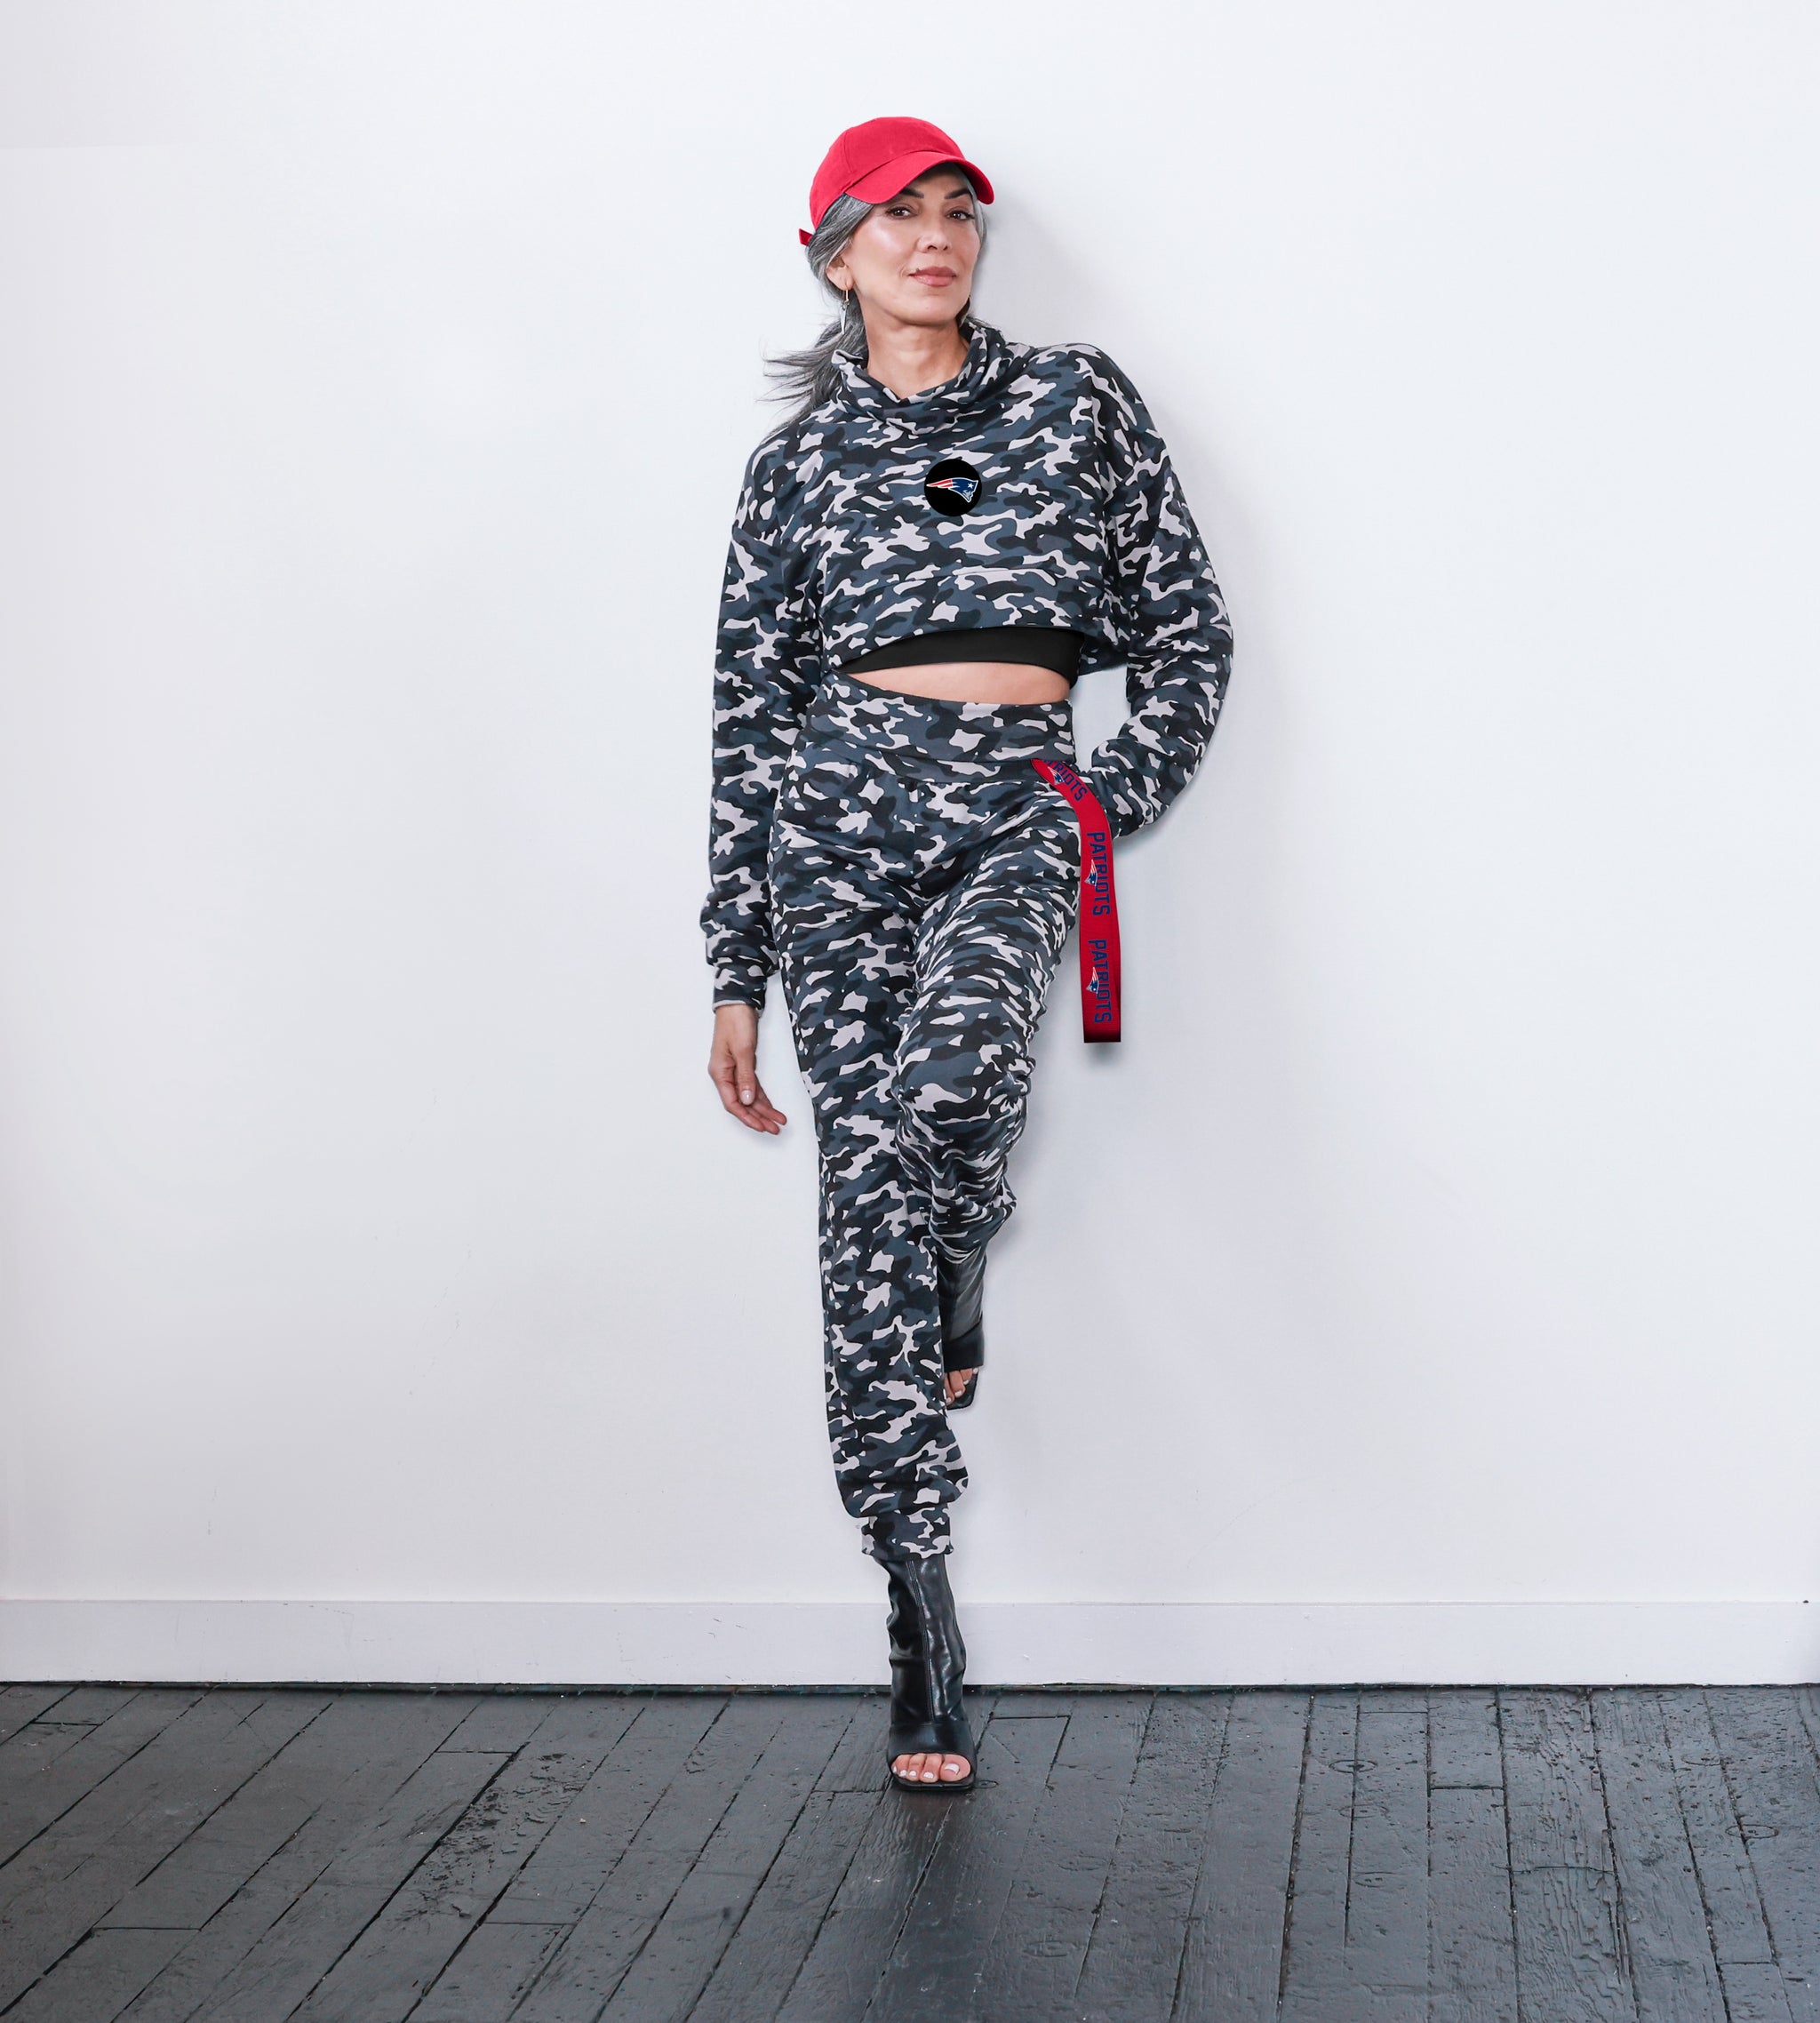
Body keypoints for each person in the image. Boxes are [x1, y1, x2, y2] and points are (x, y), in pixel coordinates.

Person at [701, 117, 1233, 1793]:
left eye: (957, 214)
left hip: (1016, 801)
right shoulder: (794, 469)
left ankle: (965, 1232)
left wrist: (1102, 795)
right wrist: (734, 963)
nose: (935, 239)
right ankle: (915, 1597)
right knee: (861, 1183)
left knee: (954, 1091)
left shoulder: (1075, 402)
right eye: (897, 218)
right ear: (836, 258)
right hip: (837, 820)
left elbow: (1188, 626)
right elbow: (747, 722)